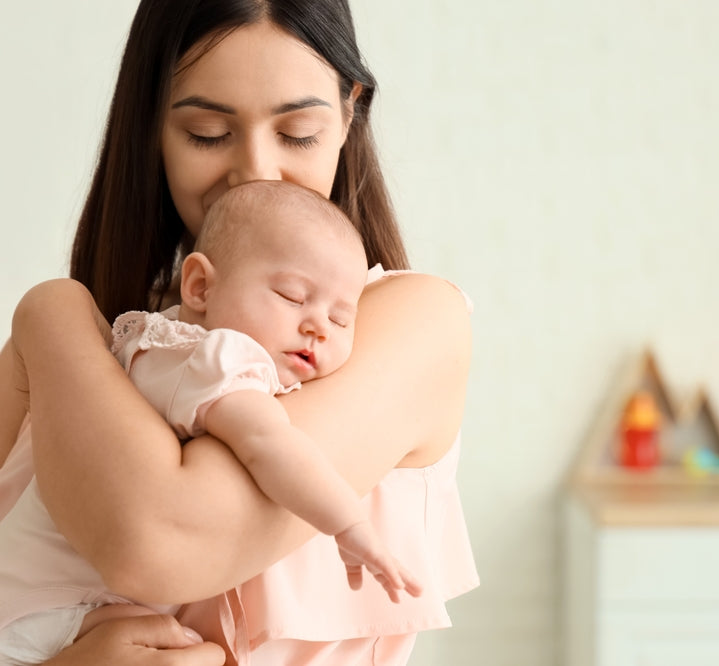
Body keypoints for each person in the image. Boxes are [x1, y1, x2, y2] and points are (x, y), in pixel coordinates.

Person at [0, 0, 478, 664]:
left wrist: (48, 313)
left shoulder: (408, 322)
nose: (256, 171)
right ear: (152, 128)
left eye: (298, 133)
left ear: (348, 114)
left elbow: (162, 543)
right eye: (207, 133)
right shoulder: (100, 343)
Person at [1, 179, 428, 664]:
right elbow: (271, 444)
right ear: (201, 287)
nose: (317, 327)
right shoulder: (210, 356)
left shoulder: (150, 350)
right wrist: (349, 525)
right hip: (49, 611)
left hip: (31, 603)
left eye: (340, 319)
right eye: (292, 296)